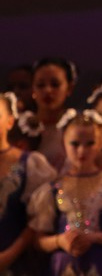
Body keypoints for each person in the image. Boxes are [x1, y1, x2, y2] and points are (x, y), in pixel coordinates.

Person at [30, 109, 102, 276]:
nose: (82, 151)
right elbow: (39, 240)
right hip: (64, 267)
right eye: (75, 144)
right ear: (63, 143)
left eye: (90, 144)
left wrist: (93, 237)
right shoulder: (54, 188)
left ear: (100, 143)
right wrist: (60, 240)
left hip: (101, 266)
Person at [0, 91, 56, 276]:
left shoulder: (30, 164)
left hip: (15, 264)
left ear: (10, 122)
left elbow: (37, 220)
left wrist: (8, 255)